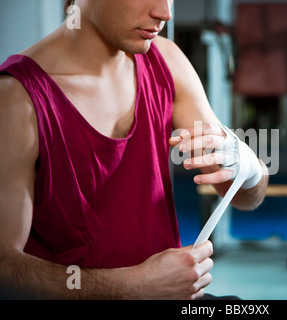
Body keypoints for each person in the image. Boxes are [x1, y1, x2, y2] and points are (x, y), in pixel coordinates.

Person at [0, 0, 268, 299]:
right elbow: (5, 268)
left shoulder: (167, 61)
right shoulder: (16, 98)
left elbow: (246, 199)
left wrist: (250, 168)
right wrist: (133, 288)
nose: (165, 13)